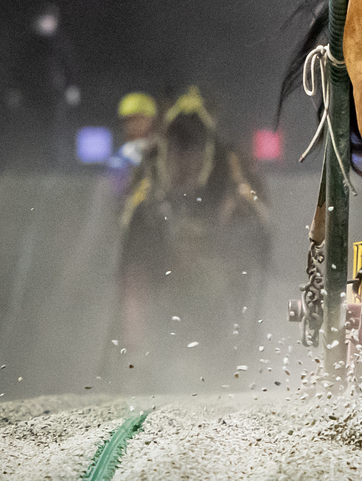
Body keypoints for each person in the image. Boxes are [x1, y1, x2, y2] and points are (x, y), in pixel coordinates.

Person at [114, 87, 270, 389]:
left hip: (213, 246)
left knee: (231, 276)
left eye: (192, 146)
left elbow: (252, 211)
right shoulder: (152, 160)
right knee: (135, 275)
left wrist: (224, 222)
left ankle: (227, 357)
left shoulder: (228, 160)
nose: (185, 155)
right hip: (166, 244)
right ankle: (136, 359)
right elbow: (132, 214)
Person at [6, 4, 81, 170]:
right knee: (34, 128)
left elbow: (69, 66)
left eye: (50, 20)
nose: (46, 23)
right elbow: (18, 68)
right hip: (32, 94)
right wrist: (15, 90)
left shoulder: (61, 42)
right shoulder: (28, 44)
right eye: (43, 20)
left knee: (55, 129)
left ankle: (55, 163)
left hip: (55, 94)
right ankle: (33, 161)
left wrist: (72, 87)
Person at [106, 93, 157, 195]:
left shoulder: (160, 152)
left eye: (140, 118)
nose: (135, 124)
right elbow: (116, 191)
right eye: (130, 120)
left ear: (151, 120)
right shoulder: (118, 159)